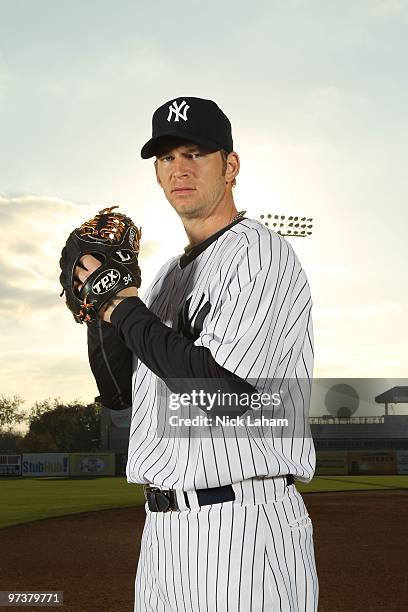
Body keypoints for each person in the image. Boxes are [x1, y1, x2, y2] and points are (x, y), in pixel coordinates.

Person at [77, 96, 319, 611]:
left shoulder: (260, 253)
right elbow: (119, 393)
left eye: (195, 154)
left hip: (242, 526)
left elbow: (224, 396)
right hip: (161, 536)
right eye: (166, 158)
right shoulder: (165, 275)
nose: (178, 169)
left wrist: (122, 308)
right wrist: (95, 308)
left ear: (230, 166)